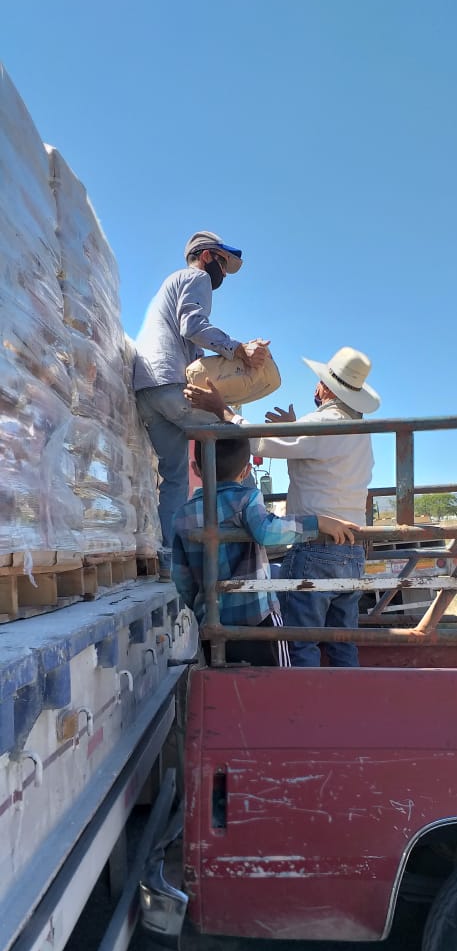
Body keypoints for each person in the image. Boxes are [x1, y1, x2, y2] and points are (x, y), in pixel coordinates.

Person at [185, 347, 380, 667]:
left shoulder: (320, 424)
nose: (315, 388)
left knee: (301, 641)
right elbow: (314, 451)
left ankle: (306, 709)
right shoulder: (361, 433)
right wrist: (293, 428)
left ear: (327, 389)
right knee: (344, 641)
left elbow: (257, 441)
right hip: (353, 550)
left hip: (316, 549)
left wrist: (224, 411)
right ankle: (349, 704)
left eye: (320, 383)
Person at [133, 230, 270, 576]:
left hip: (148, 390)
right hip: (171, 383)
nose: (222, 273)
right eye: (222, 263)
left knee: (175, 477)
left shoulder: (170, 285)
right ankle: (259, 534)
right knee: (234, 442)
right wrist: (239, 349)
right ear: (207, 256)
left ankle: (168, 559)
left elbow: (189, 345)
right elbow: (193, 324)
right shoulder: (196, 277)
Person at [171, 436, 358, 667]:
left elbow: (181, 578)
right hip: (258, 619)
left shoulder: (181, 515)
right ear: (247, 470)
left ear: (195, 468)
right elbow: (267, 531)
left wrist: (202, 604)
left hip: (212, 622)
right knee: (277, 682)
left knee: (224, 681)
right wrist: (316, 523)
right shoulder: (247, 498)